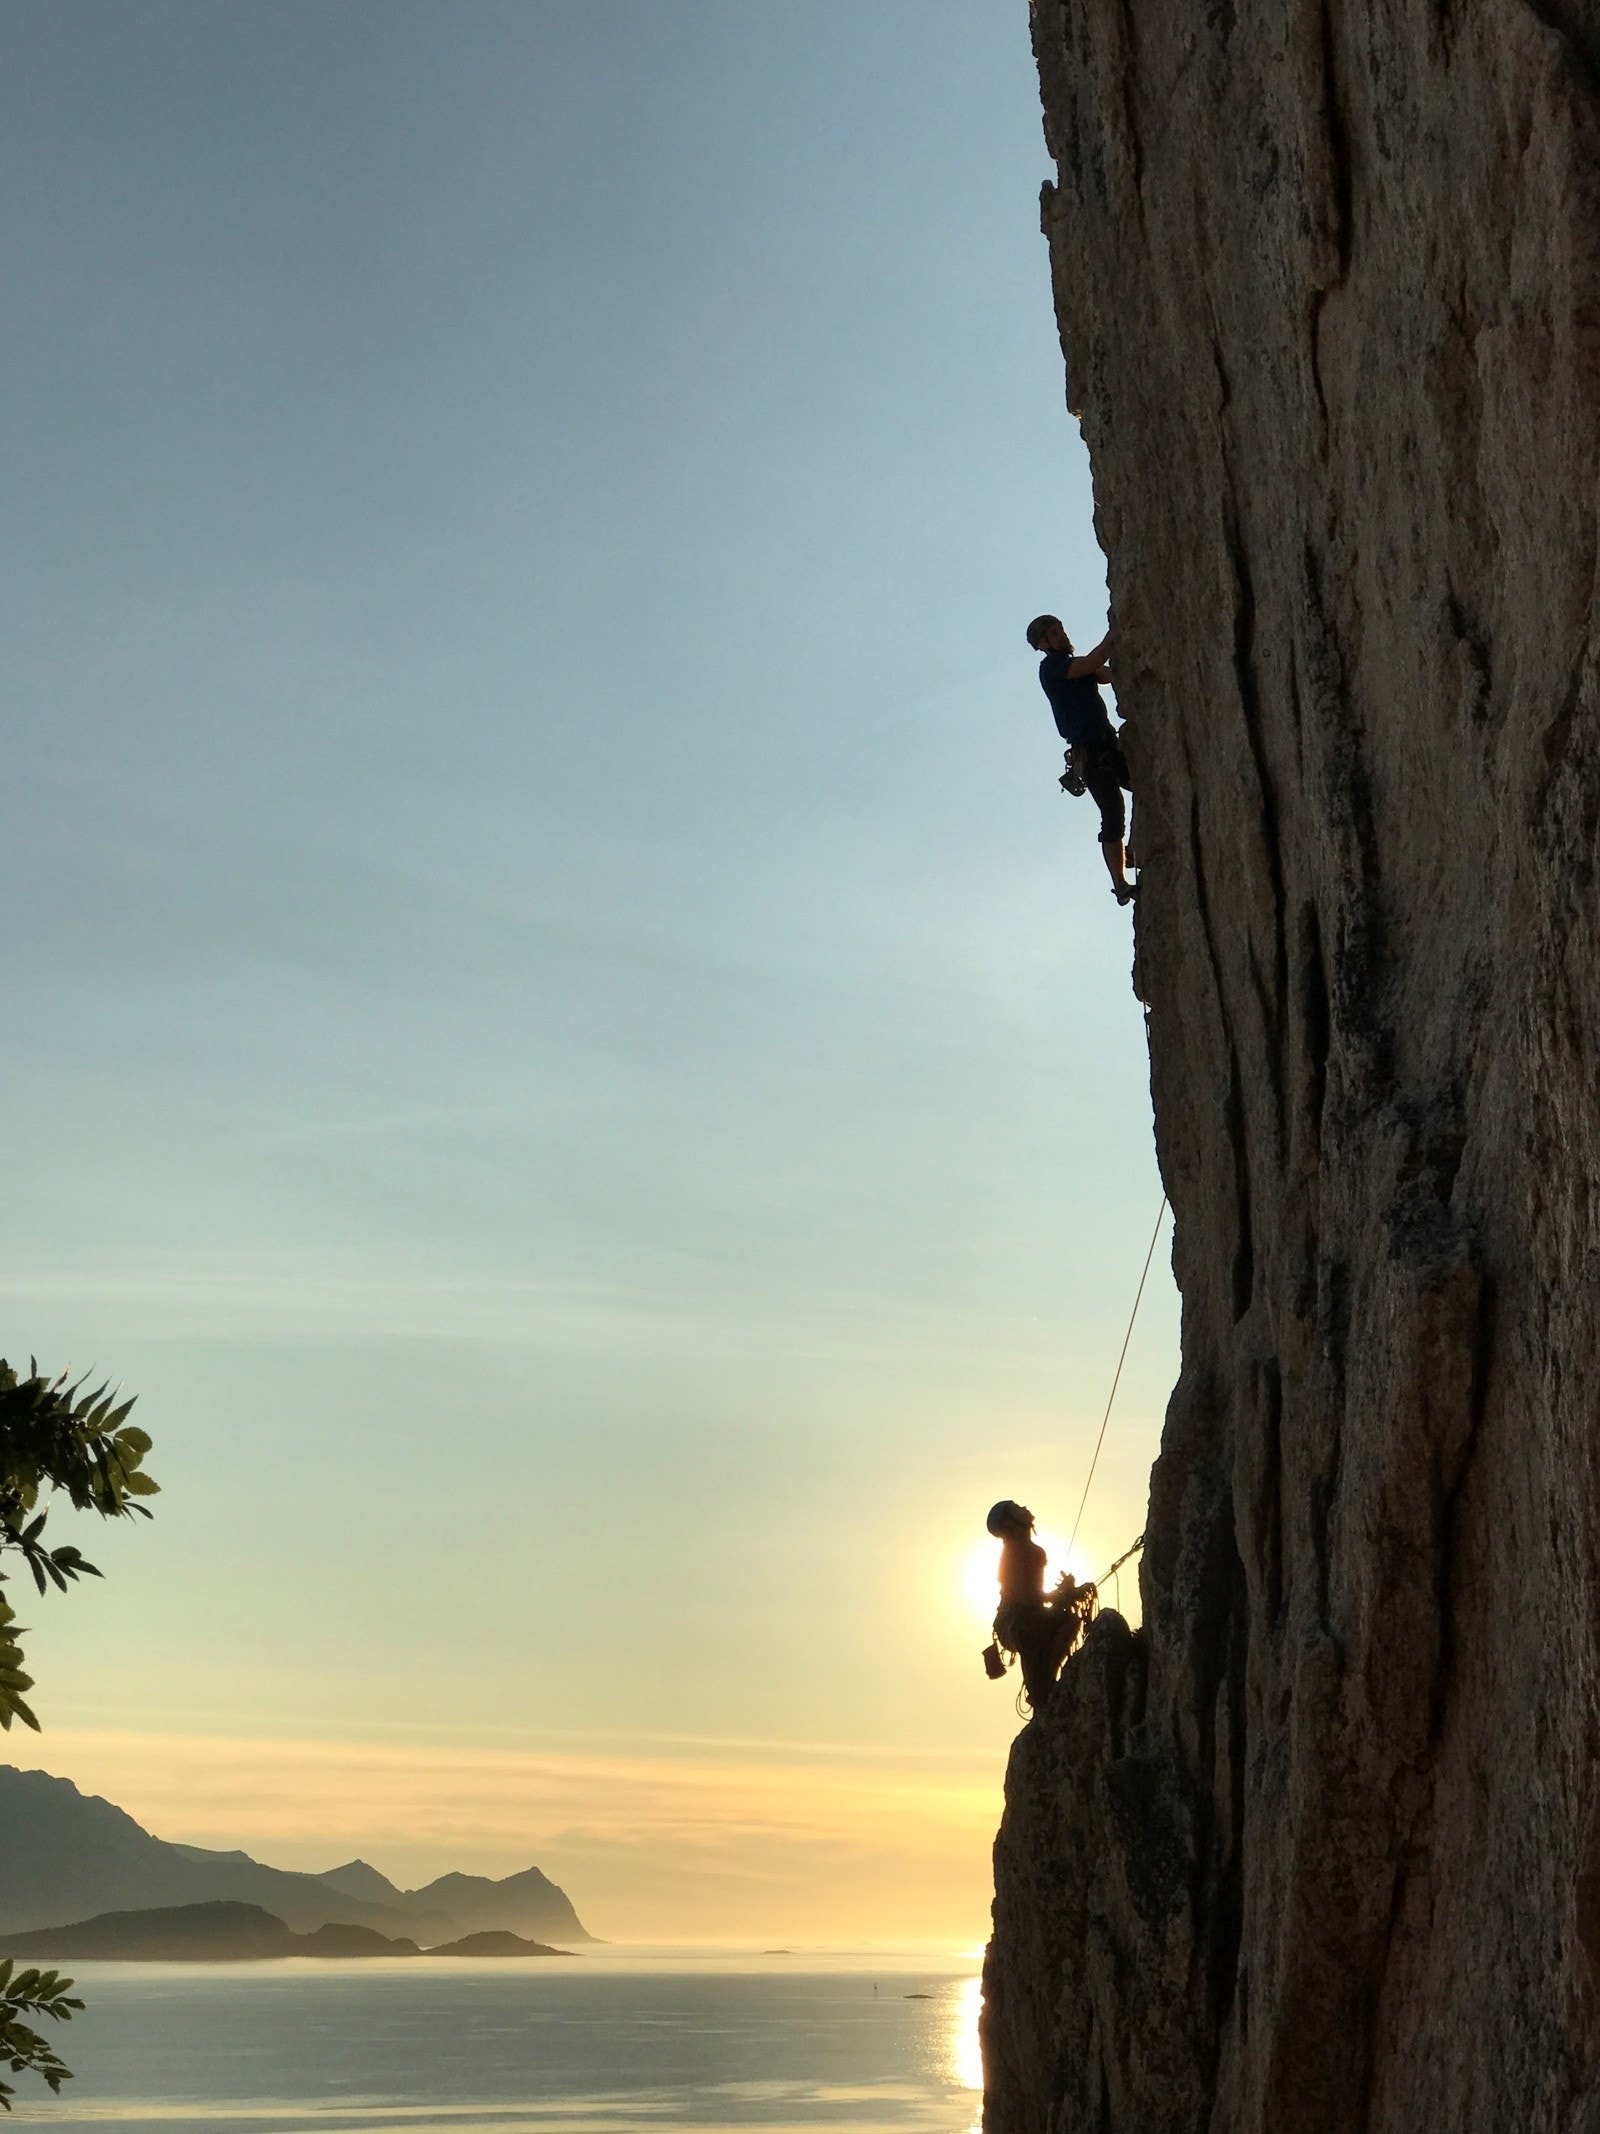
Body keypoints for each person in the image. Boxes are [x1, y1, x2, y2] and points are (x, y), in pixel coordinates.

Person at [1025, 615, 1135, 905]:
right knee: (1113, 815)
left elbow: (1102, 672)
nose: (1061, 635)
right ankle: (1121, 885)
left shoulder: (1073, 665)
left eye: (1060, 629)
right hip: (1090, 752)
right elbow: (1091, 664)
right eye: (1053, 633)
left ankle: (1135, 847)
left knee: (1142, 784)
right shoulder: (1052, 668)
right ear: (1043, 644)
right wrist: (1115, 634)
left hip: (1106, 741)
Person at [983, 1500, 1096, 1708]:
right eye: (1017, 1509)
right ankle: (1040, 1689)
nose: (1024, 1508)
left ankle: (1044, 1681)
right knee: (1033, 1629)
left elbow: (1033, 1596)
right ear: (1009, 1523)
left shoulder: (1033, 1551)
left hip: (1025, 1616)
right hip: (1015, 1621)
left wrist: (1063, 1594)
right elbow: (1026, 1598)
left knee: (1068, 1621)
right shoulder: (1014, 1554)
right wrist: (1062, 1595)